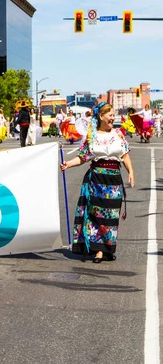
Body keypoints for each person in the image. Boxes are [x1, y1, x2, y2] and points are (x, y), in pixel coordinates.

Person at [61, 102, 134, 263]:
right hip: (96, 179)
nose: (113, 117)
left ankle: (108, 248)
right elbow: (82, 157)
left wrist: (131, 173)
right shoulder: (91, 136)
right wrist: (68, 164)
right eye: (110, 115)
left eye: (114, 115)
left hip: (114, 181)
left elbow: (125, 156)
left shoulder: (118, 135)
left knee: (111, 217)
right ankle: (98, 251)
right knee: (96, 216)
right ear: (101, 116)